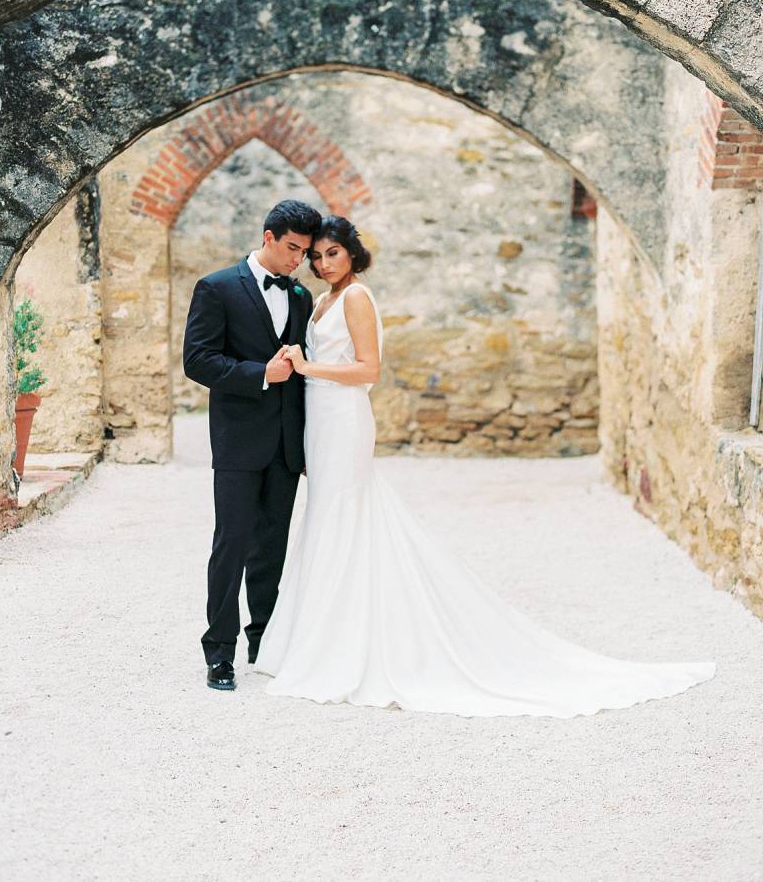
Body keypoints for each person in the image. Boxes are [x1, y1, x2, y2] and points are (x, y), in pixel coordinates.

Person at [252, 214, 716, 717]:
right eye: (316, 256)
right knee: (326, 517)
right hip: (319, 421)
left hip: (343, 418)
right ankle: (316, 636)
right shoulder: (323, 300)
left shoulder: (359, 297)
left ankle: (341, 647)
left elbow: (370, 369)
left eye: (332, 254)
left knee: (346, 514)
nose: (323, 263)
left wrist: (307, 367)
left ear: (352, 253)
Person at [183, 199, 321, 691]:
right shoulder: (217, 287)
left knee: (271, 548)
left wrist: (306, 445)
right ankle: (219, 652)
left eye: (304, 253)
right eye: (291, 248)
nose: (297, 261)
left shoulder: (301, 297)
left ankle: (263, 640)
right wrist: (259, 373)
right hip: (238, 441)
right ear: (267, 237)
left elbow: (304, 379)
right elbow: (197, 361)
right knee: (232, 545)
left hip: (285, 447)